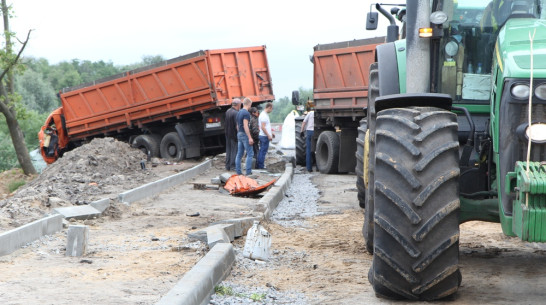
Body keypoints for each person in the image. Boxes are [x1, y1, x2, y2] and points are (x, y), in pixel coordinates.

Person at [235, 98, 254, 175]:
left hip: (239, 133)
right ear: (249, 104)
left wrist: (239, 133)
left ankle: (238, 172)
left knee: (239, 154)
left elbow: (237, 125)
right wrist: (249, 137)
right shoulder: (246, 113)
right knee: (250, 153)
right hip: (244, 134)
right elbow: (245, 125)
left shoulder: (239, 112)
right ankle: (248, 172)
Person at [224, 98, 241, 171]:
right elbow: (237, 126)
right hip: (234, 135)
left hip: (227, 134)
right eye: (240, 105)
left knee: (228, 150)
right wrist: (240, 134)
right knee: (234, 151)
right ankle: (233, 166)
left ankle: (227, 166)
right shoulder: (236, 113)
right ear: (238, 105)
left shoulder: (228, 111)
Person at [257, 102, 274, 169]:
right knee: (263, 151)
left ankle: (260, 165)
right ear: (269, 107)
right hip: (264, 136)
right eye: (271, 109)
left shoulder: (264, 114)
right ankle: (260, 166)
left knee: (262, 150)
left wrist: (271, 133)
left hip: (264, 135)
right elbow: (263, 127)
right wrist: (269, 135)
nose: (271, 110)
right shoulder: (264, 115)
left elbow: (266, 126)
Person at [300, 104, 315, 172]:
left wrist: (301, 131)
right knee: (317, 149)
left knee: (308, 150)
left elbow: (304, 122)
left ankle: (309, 168)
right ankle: (318, 167)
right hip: (316, 132)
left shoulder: (310, 113)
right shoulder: (318, 113)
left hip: (309, 132)